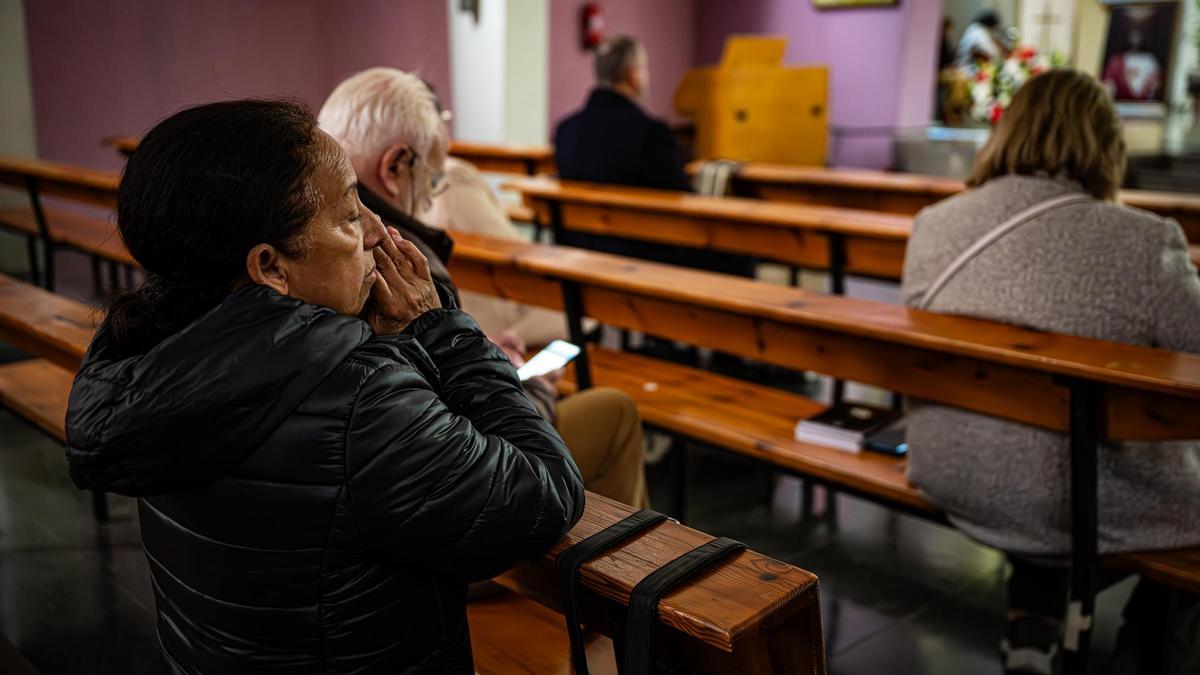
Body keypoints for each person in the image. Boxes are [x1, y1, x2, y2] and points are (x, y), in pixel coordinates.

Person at [63, 99, 585, 673]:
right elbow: (543, 494)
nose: (377, 231)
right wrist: (445, 335)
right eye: (347, 213)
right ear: (270, 267)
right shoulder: (358, 403)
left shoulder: (152, 353)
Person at [901, 69, 1200, 674]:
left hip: (951, 466)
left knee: (1040, 443)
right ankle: (1158, 646)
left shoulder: (934, 223)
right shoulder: (1143, 242)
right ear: (1104, 143)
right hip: (1065, 503)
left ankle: (1034, 623)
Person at [319, 67, 649, 509]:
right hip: (442, 493)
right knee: (615, 411)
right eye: (434, 180)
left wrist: (482, 354)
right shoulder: (403, 263)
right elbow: (478, 439)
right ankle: (616, 568)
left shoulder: (314, 248)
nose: (433, 199)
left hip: (362, 478)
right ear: (395, 166)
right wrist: (530, 387)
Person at [553, 35, 753, 276]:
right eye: (644, 68)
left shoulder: (565, 131)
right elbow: (683, 208)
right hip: (639, 259)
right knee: (740, 254)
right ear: (633, 75)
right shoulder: (651, 134)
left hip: (581, 252)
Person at [1102, 29, 1162, 101]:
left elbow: (1156, 83)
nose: (1135, 41)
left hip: (1143, 104)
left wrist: (1150, 85)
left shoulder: (1149, 60)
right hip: (1122, 102)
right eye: (1132, 37)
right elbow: (1109, 82)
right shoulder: (1117, 60)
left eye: (1137, 38)